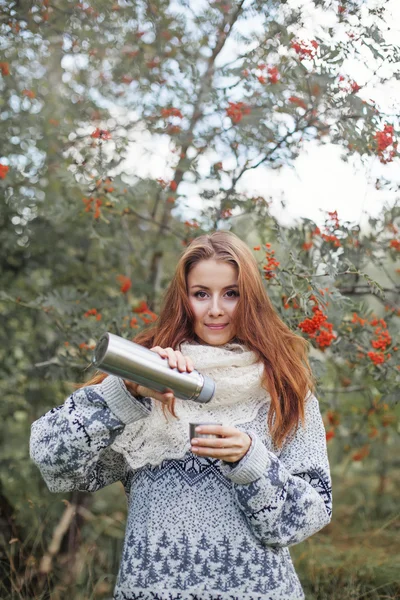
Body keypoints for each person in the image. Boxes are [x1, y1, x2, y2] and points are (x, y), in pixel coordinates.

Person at [30, 230, 332, 600]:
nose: (216, 309)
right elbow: (53, 461)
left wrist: (251, 461)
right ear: (184, 297)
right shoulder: (146, 372)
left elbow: (306, 518)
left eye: (231, 293)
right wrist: (125, 392)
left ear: (251, 299)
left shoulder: (285, 388)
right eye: (201, 293)